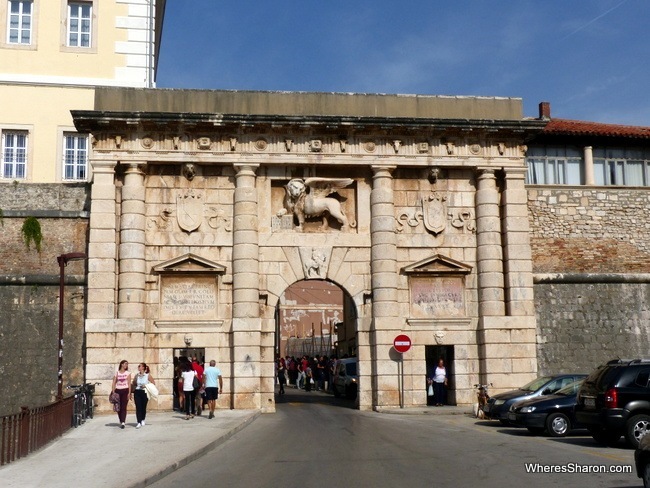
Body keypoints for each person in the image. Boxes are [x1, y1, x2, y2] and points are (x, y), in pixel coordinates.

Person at [132, 362, 155, 429]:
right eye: (138, 366)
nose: (138, 367)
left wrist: (145, 385)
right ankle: (138, 421)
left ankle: (142, 419)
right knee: (138, 407)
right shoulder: (137, 375)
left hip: (144, 392)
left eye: (140, 366)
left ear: (143, 368)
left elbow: (153, 383)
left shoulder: (147, 375)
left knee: (143, 407)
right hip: (137, 391)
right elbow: (134, 383)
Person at [110, 359, 131, 429]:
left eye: (127, 364)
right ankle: (121, 420)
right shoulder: (117, 373)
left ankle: (123, 422)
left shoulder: (128, 373)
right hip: (118, 390)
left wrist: (129, 393)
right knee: (118, 407)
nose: (126, 365)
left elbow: (129, 384)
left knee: (124, 406)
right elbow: (114, 383)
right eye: (125, 364)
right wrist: (113, 392)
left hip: (125, 390)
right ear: (121, 364)